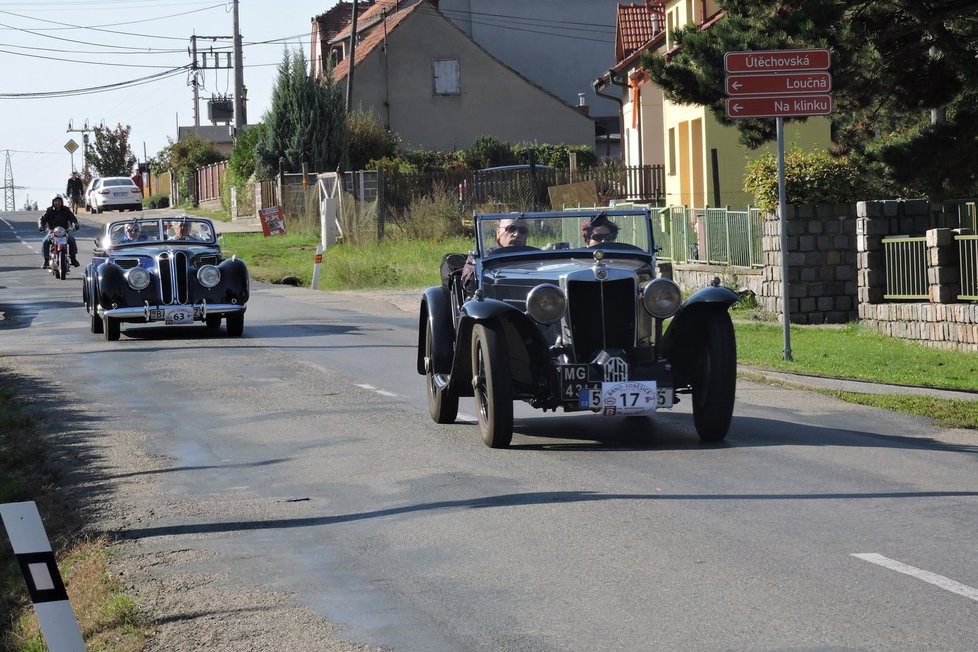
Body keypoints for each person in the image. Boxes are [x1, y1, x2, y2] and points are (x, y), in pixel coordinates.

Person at [461, 217, 530, 293]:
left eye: (523, 231)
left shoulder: (533, 257)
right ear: (498, 232)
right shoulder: (482, 255)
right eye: (511, 228)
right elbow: (469, 284)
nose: (517, 234)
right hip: (492, 298)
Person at [38, 195, 80, 268]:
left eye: (59, 201)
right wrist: (41, 225)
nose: (57, 202)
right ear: (52, 202)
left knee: (72, 240)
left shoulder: (66, 210)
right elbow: (42, 219)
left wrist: (75, 224)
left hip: (64, 232)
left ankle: (73, 259)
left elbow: (73, 218)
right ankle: (46, 260)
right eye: (55, 201)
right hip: (52, 232)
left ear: (62, 202)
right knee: (45, 241)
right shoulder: (49, 210)